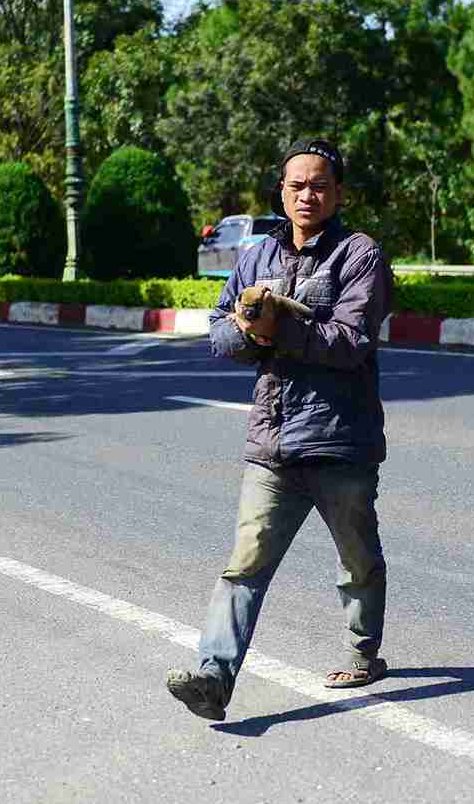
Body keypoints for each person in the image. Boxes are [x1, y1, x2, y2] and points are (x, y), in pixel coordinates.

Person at [166, 139, 393, 721]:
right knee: (245, 565)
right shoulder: (257, 256)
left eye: (319, 185)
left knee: (357, 558)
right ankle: (214, 678)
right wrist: (249, 330)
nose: (307, 195)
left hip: (340, 439)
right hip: (273, 439)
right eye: (296, 186)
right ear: (281, 192)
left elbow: (351, 341)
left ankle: (363, 651)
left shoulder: (359, 255)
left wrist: (277, 329)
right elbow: (219, 327)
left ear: (338, 193)